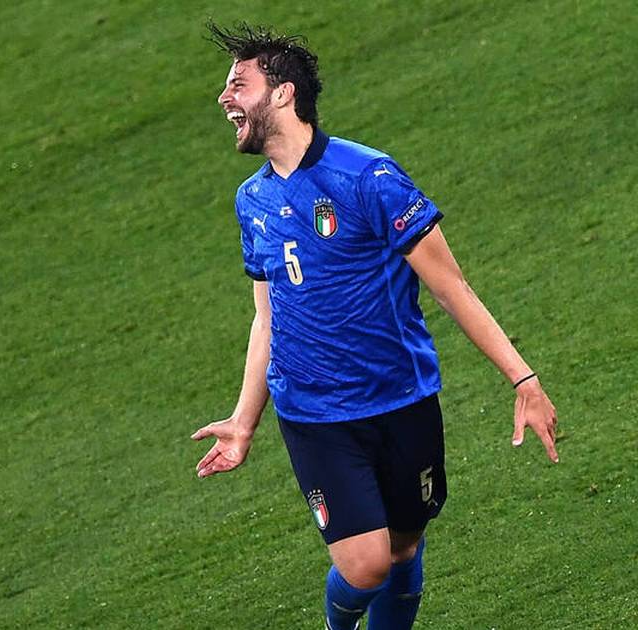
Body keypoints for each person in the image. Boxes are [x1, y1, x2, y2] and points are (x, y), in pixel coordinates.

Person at [190, 22, 559, 630]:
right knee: (365, 567)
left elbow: (451, 287)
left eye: (239, 84)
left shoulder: (368, 178)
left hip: (400, 397)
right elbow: (267, 316)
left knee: (404, 549)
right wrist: (243, 421)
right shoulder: (251, 200)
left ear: (282, 93)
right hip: (313, 413)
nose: (225, 98)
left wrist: (523, 379)